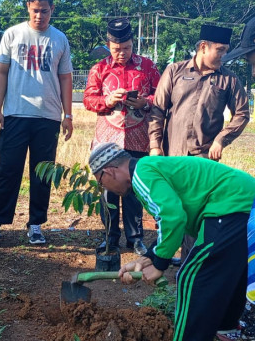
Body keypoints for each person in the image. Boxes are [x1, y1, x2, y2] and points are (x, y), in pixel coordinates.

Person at [89, 142, 255, 341]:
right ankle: (227, 329)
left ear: (109, 171)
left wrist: (159, 263)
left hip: (229, 204)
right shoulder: (148, 168)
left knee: (190, 277)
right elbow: (169, 222)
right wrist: (148, 258)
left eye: (100, 181)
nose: (103, 188)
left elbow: (173, 217)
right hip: (242, 201)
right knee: (229, 270)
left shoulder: (141, 174)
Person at [0, 0, 73, 246]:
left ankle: (36, 224)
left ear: (52, 9)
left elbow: (65, 78)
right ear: (27, 8)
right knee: (8, 170)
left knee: (42, 173)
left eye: (44, 11)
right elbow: (2, 74)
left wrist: (68, 114)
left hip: (49, 116)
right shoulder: (12, 34)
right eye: (34, 11)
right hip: (16, 114)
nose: (39, 16)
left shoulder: (60, 39)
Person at [149, 24, 250, 263]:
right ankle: (161, 260)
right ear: (203, 47)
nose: (223, 56)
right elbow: (158, 110)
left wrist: (221, 140)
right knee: (170, 210)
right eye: (221, 50)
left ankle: (190, 269)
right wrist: (155, 146)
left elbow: (242, 113)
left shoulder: (228, 79)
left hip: (203, 162)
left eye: (226, 51)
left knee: (197, 216)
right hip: (172, 158)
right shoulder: (175, 71)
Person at [83, 17, 160, 255]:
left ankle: (135, 238)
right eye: (116, 49)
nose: (122, 53)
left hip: (139, 138)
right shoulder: (99, 69)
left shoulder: (148, 67)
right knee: (108, 188)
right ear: (109, 45)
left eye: (126, 48)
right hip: (108, 141)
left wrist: (145, 102)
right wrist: (106, 101)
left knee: (135, 189)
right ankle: (110, 237)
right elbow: (88, 99)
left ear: (132, 44)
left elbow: (162, 96)